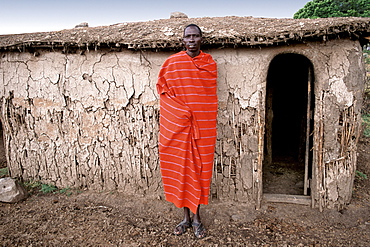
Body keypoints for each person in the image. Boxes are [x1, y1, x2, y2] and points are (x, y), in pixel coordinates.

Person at [156, 24, 218, 239]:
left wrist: (194, 114)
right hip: (179, 129)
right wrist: (181, 114)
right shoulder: (172, 64)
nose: (192, 39)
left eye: (196, 36)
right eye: (188, 36)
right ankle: (185, 218)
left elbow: (207, 99)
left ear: (202, 39)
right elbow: (163, 91)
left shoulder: (209, 64)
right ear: (183, 40)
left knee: (200, 172)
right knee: (181, 170)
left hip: (203, 128)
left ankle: (198, 218)